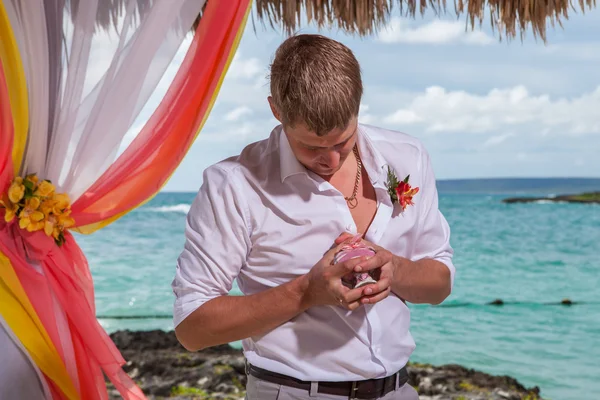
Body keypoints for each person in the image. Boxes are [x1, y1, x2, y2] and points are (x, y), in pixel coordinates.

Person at [171, 34, 455, 400]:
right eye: (312, 147)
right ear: (276, 110)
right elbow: (192, 329)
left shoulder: (408, 156)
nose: (331, 161)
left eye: (343, 141)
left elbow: (440, 286)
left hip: (398, 390)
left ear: (358, 106)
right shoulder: (232, 185)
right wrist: (306, 292)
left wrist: (395, 270)